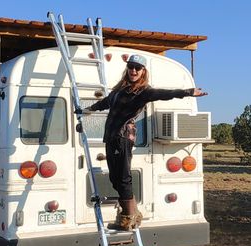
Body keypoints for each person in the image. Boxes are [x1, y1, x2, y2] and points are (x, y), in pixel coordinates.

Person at [85, 54, 207, 230]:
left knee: (123, 177)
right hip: (111, 137)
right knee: (115, 177)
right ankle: (133, 213)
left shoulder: (143, 91)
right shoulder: (120, 90)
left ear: (143, 71)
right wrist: (89, 108)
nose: (133, 70)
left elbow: (164, 94)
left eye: (137, 68)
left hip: (123, 137)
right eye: (131, 67)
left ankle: (127, 218)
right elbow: (106, 102)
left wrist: (187, 92)